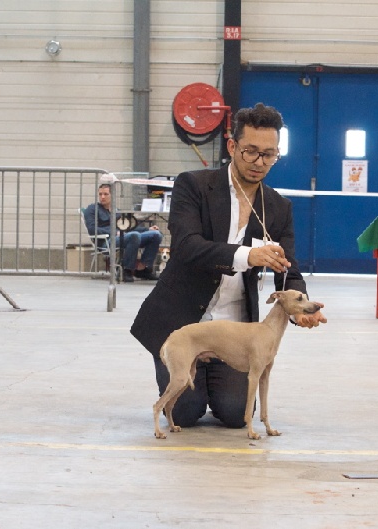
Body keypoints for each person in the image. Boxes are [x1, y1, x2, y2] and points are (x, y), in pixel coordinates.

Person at [130, 103, 327, 430]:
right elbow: (186, 245)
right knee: (185, 413)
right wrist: (247, 255)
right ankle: (192, 384)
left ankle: (213, 383)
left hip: (234, 332)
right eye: (251, 152)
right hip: (183, 321)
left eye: (269, 155)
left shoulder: (278, 207)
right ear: (232, 146)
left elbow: (288, 270)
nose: (259, 162)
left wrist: (301, 308)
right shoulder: (194, 185)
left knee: (236, 415)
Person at [83, 183, 162, 282]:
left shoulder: (117, 212)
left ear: (112, 195)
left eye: (105, 194)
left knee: (156, 235)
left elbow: (129, 228)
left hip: (124, 237)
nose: (102, 197)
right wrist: (114, 232)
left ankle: (142, 269)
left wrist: (148, 229)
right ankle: (127, 270)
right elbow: (92, 229)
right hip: (106, 241)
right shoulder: (92, 209)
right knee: (134, 235)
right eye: (100, 194)